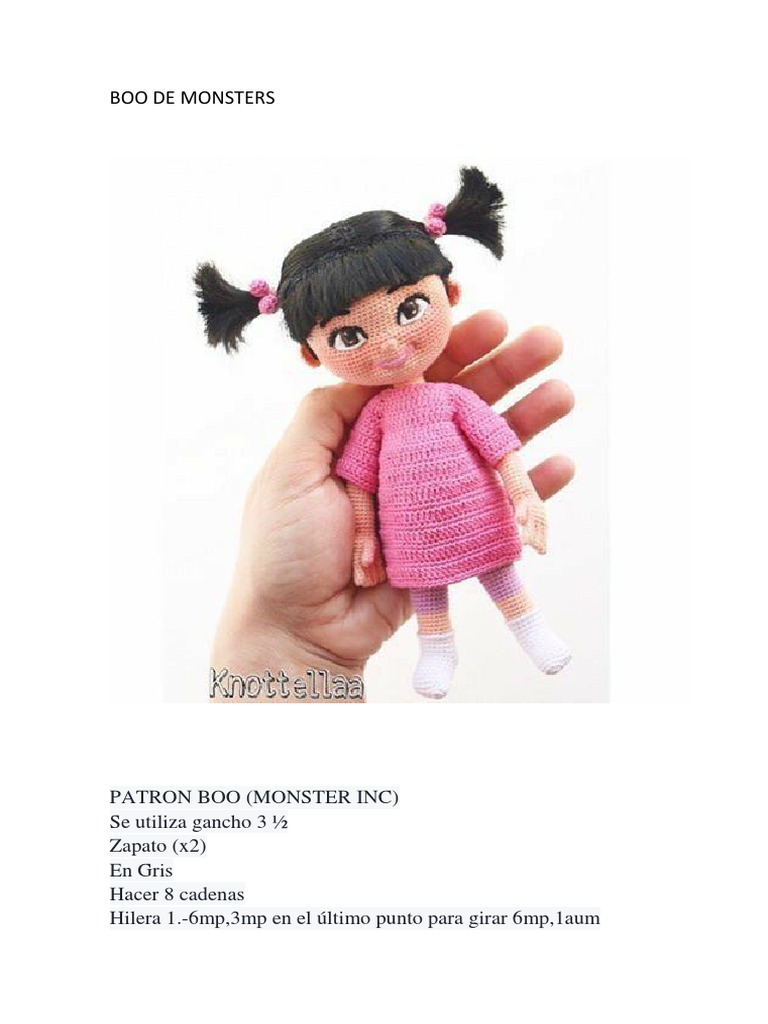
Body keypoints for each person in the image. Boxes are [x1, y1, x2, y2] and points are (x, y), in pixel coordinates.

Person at [197, 170, 574, 701]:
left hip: (478, 514)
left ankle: (529, 627)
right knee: (426, 589)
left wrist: (524, 495)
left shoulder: (454, 400)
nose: (390, 344)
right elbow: (359, 482)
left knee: (501, 571)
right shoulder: (373, 417)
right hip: (410, 531)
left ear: (451, 294)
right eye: (350, 335)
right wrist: (365, 538)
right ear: (311, 355)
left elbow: (499, 445)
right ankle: (437, 646)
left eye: (409, 310)